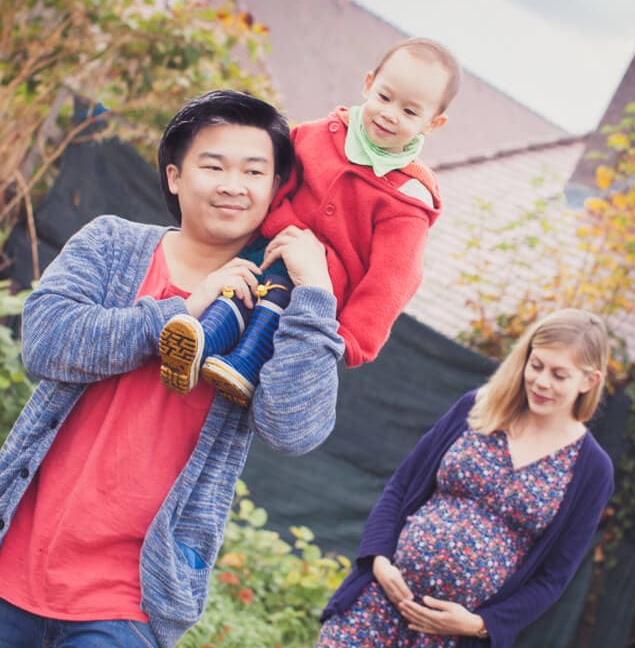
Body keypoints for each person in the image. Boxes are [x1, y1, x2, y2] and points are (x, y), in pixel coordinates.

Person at [0, 90, 344, 648]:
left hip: (134, 598)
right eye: (213, 165)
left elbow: (294, 429)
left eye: (253, 170)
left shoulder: (279, 305)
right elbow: (46, 341)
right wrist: (180, 311)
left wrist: (316, 291)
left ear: (274, 189)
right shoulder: (114, 244)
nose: (232, 184)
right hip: (17, 563)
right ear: (174, 176)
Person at [278, 308, 615, 648]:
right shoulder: (480, 408)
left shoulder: (591, 469)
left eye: (559, 374)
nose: (541, 382)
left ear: (589, 381)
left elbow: (552, 579)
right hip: (385, 597)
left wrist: (478, 625)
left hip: (451, 639)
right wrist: (379, 559)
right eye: (536, 365)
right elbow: (401, 486)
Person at [159, 37, 460, 406]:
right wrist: (271, 224)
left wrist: (354, 337)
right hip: (269, 246)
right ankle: (199, 341)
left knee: (277, 297)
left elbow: (393, 277)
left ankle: (242, 365)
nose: (390, 114)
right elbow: (276, 182)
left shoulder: (407, 199)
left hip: (321, 281)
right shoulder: (319, 135)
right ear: (368, 84)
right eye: (384, 97)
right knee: (240, 283)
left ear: (434, 123)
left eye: (410, 112)